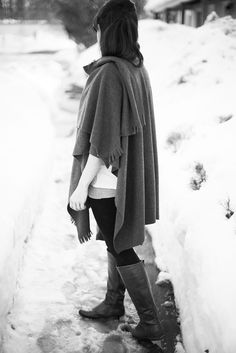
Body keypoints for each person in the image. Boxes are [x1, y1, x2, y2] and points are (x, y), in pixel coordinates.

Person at [67, 0, 163, 341]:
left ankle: (150, 321)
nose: (96, 35)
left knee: (120, 245)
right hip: (120, 177)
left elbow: (102, 142)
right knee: (114, 242)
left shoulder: (110, 71)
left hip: (105, 180)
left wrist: (81, 188)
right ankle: (113, 302)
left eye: (99, 28)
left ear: (108, 31)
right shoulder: (135, 67)